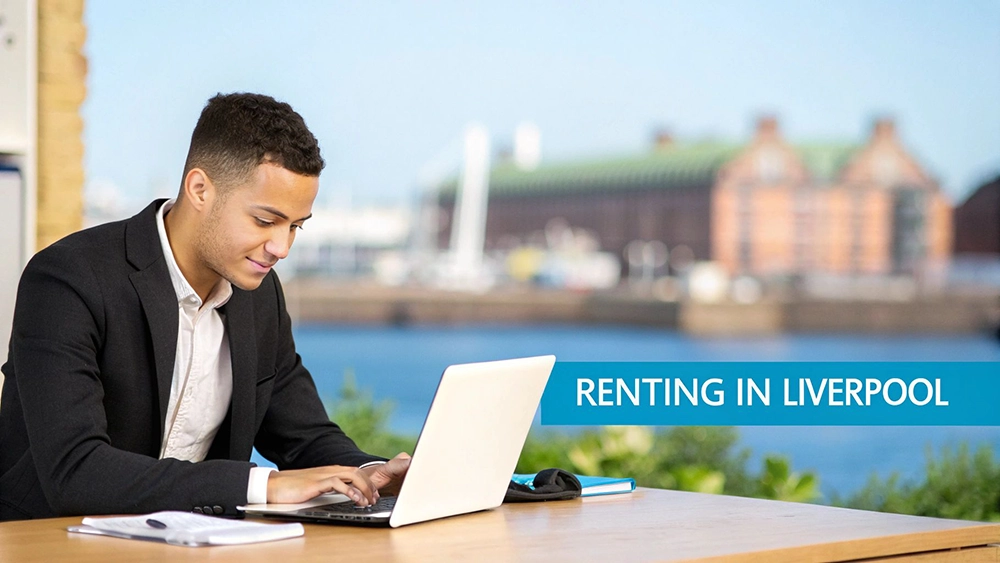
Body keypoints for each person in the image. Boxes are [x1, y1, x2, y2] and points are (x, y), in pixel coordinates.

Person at [0, 93, 410, 521]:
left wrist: (371, 473)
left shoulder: (259, 293)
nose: (281, 247)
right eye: (265, 221)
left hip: (190, 542)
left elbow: (303, 434)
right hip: (49, 537)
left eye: (295, 227)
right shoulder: (67, 279)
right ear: (200, 189)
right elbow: (75, 471)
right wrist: (265, 485)